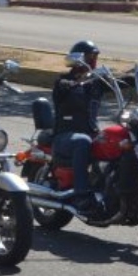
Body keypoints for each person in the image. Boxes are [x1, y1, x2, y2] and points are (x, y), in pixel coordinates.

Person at [51, 40, 109, 216]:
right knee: (82, 141)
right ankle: (81, 195)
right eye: (90, 57)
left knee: (119, 140)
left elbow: (121, 82)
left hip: (91, 133)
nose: (93, 61)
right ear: (78, 59)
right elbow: (59, 91)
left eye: (95, 57)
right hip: (65, 136)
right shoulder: (64, 81)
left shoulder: (96, 82)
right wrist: (70, 84)